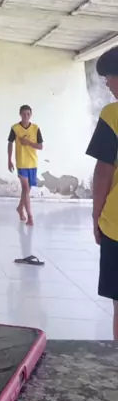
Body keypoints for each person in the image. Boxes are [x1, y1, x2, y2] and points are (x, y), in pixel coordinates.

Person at [86, 47, 118, 341]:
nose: (107, 84)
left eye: (109, 76)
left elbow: (104, 171)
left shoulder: (113, 114)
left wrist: (96, 214)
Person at [7, 105, 43, 226]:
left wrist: (28, 143)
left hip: (32, 162)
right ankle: (30, 216)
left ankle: (20, 208)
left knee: (27, 189)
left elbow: (40, 146)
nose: (26, 116)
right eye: (23, 114)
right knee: (26, 189)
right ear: (20, 114)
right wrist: (9, 160)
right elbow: (10, 143)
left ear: (31, 115)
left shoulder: (36, 128)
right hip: (21, 163)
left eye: (28, 114)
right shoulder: (15, 128)